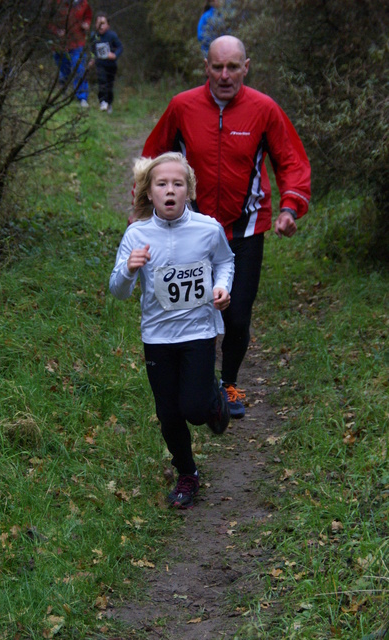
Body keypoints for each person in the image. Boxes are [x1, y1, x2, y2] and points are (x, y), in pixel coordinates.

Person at [138, 35, 311, 419]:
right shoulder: (182, 107)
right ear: (206, 67)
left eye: (233, 67)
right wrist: (141, 209)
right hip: (191, 230)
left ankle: (228, 382)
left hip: (246, 228)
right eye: (217, 66)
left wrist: (290, 207)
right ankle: (192, 382)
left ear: (246, 67)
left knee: (236, 314)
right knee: (192, 308)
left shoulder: (264, 109)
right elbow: (152, 157)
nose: (225, 75)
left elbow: (291, 161)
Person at [110, 153, 234, 509]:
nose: (169, 190)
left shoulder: (207, 229)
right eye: (161, 184)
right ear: (148, 193)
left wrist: (222, 287)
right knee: (169, 413)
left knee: (194, 408)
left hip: (198, 331)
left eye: (177, 184)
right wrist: (130, 269)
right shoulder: (137, 234)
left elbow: (225, 261)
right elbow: (118, 290)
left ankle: (213, 401)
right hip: (157, 337)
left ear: (189, 191)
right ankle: (187, 473)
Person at [48, 0, 92, 107]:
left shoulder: (83, 3)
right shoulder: (57, 3)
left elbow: (88, 16)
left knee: (79, 67)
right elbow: (48, 20)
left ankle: (82, 97)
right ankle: (64, 89)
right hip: (60, 43)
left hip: (78, 41)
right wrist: (56, 31)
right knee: (64, 68)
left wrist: (86, 24)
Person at [89, 12, 123, 113]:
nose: (101, 26)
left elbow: (120, 47)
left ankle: (109, 103)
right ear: (95, 25)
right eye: (98, 23)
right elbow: (92, 49)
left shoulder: (112, 35)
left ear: (108, 25)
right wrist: (92, 59)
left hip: (111, 65)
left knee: (109, 85)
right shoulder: (94, 36)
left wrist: (115, 55)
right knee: (102, 81)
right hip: (100, 64)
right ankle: (102, 102)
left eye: (103, 23)